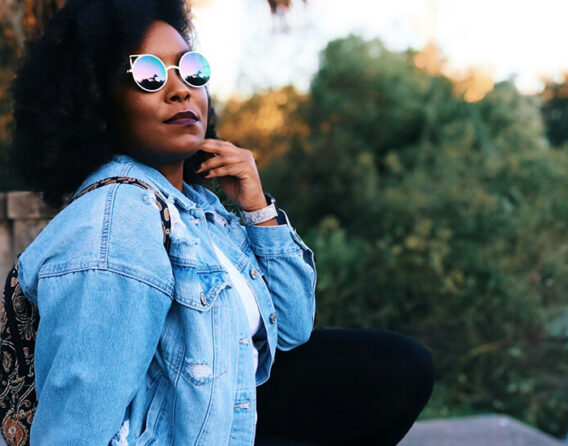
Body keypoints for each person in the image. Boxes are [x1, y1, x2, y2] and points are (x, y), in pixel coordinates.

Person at [8, 0, 434, 444]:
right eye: (149, 75)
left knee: (396, 368)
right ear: (97, 101)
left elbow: (291, 328)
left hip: (229, 415)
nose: (180, 90)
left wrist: (258, 209)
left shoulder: (194, 208)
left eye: (191, 70)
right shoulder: (117, 224)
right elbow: (76, 427)